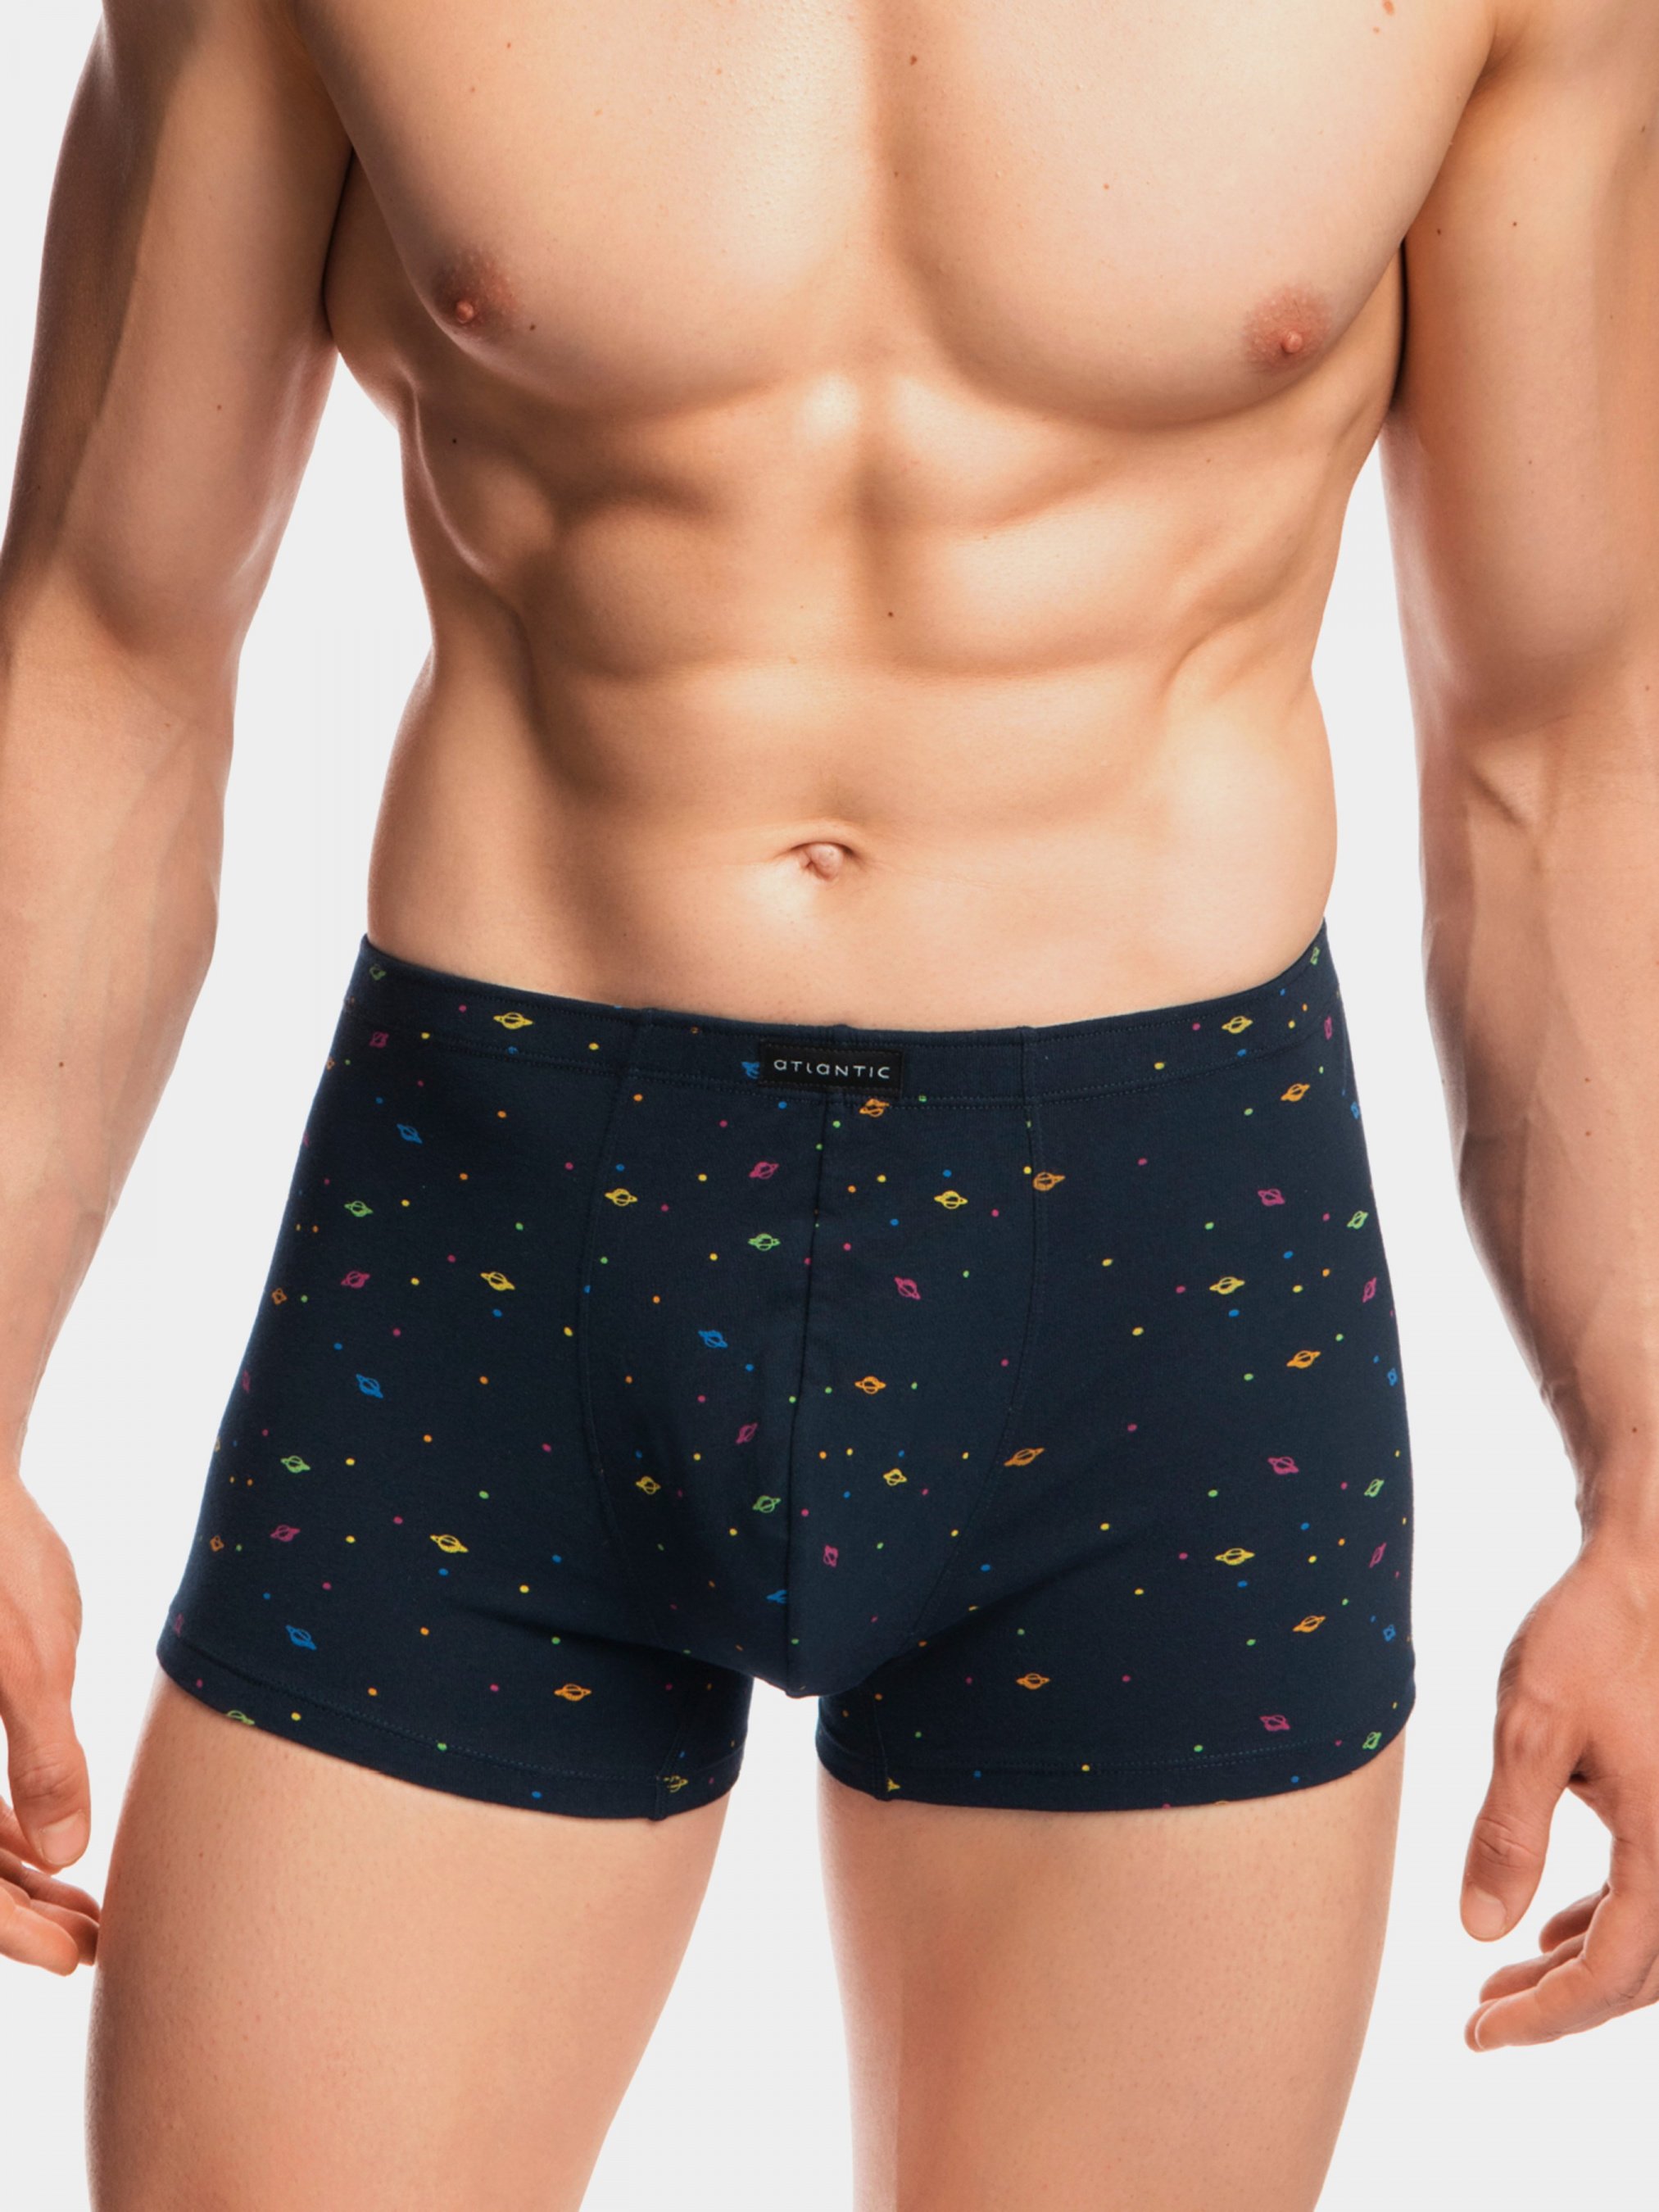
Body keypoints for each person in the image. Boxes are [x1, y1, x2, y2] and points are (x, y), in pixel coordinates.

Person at [2, 0, 1657, 2203]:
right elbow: (111, 637)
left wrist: (1650, 1481)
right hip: (493, 1252)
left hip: (1155, 1291)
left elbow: (1560, 723)